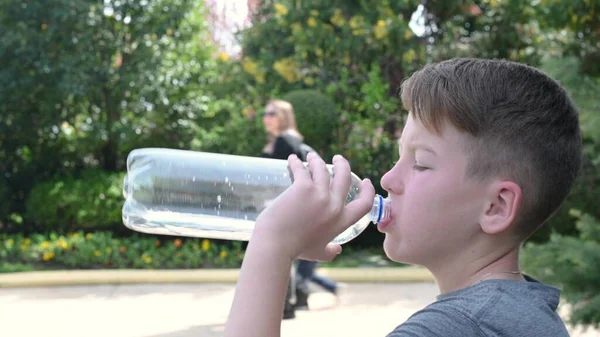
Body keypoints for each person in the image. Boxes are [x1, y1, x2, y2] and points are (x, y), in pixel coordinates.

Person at [225, 58, 581, 337]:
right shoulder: (521, 311)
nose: (389, 179)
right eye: (400, 157)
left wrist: (270, 244)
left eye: (421, 164)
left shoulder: (457, 328)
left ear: (496, 206)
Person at [259, 98, 339, 318]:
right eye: (265, 114)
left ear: (284, 117)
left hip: (284, 208)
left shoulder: (285, 142)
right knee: (290, 254)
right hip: (288, 207)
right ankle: (296, 298)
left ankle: (286, 304)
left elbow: (282, 181)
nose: (266, 118)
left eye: (271, 114)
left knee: (280, 253)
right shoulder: (286, 141)